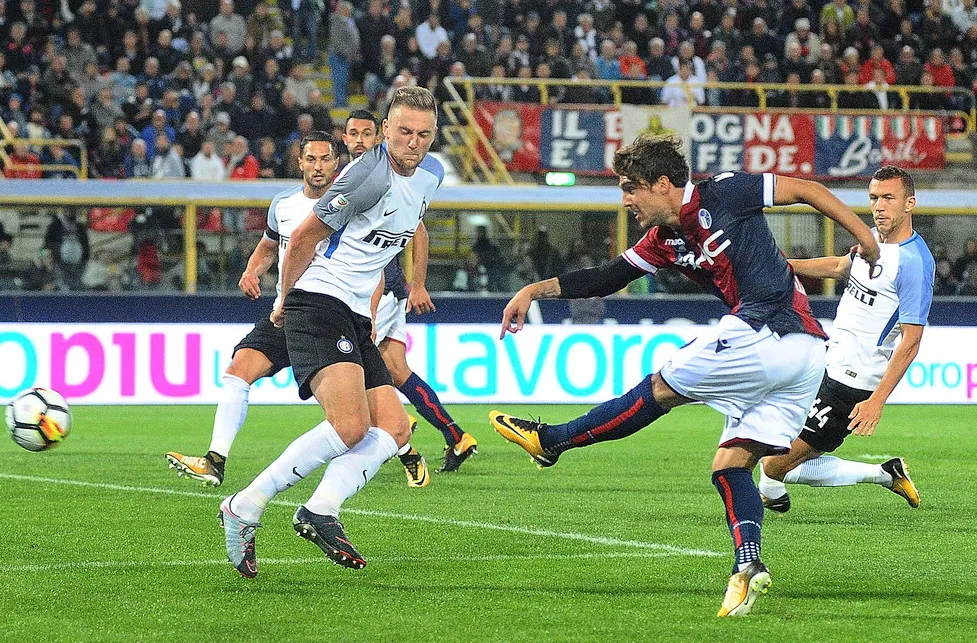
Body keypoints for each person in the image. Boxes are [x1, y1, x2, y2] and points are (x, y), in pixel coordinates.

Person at [489, 134, 880, 617]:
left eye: (632, 188)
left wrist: (865, 239)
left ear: (663, 183)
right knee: (731, 465)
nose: (626, 199)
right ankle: (749, 566)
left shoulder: (725, 192)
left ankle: (552, 441)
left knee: (659, 389)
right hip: (800, 356)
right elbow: (608, 276)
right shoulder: (662, 241)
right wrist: (535, 289)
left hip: (768, 330)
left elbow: (806, 190)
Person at [218, 87, 443, 577]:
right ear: (385, 130)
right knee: (350, 426)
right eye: (403, 131)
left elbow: (394, 241)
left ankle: (320, 509)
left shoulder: (433, 175)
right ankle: (245, 504)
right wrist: (283, 300)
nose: (413, 143)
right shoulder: (364, 179)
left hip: (355, 314)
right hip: (317, 301)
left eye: (424, 134)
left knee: (395, 428)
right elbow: (301, 239)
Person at [165, 131, 340, 487]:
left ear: (336, 163)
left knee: (349, 416)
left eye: (325, 159)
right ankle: (215, 460)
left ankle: (397, 445)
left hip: (327, 317)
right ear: (300, 162)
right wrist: (250, 270)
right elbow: (267, 247)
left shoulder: (348, 206)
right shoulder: (284, 205)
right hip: (285, 314)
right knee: (237, 371)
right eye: (312, 159)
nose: (318, 166)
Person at [758, 166, 933, 513]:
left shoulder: (913, 264)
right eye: (874, 198)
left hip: (851, 382)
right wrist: (783, 265)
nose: (879, 206)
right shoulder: (871, 239)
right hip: (827, 365)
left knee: (773, 466)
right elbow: (841, 266)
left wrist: (877, 402)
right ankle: (887, 473)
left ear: (909, 203)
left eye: (888, 198)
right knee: (771, 454)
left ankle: (879, 476)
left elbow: (911, 341)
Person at [342, 110, 479, 475]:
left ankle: (394, 433)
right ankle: (455, 435)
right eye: (352, 133)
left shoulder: (387, 179)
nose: (359, 140)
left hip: (380, 291)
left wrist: (416, 285)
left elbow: (419, 232)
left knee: (353, 370)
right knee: (397, 371)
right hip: (381, 290)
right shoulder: (356, 179)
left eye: (366, 133)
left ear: (380, 137)